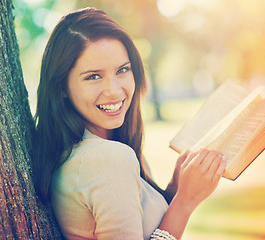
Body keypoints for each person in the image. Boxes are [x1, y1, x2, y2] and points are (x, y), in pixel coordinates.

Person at [32, 7, 227, 240]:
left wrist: (174, 190)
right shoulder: (109, 159)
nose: (114, 91)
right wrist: (185, 202)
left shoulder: (88, 149)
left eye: (122, 70)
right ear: (62, 86)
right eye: (94, 76)